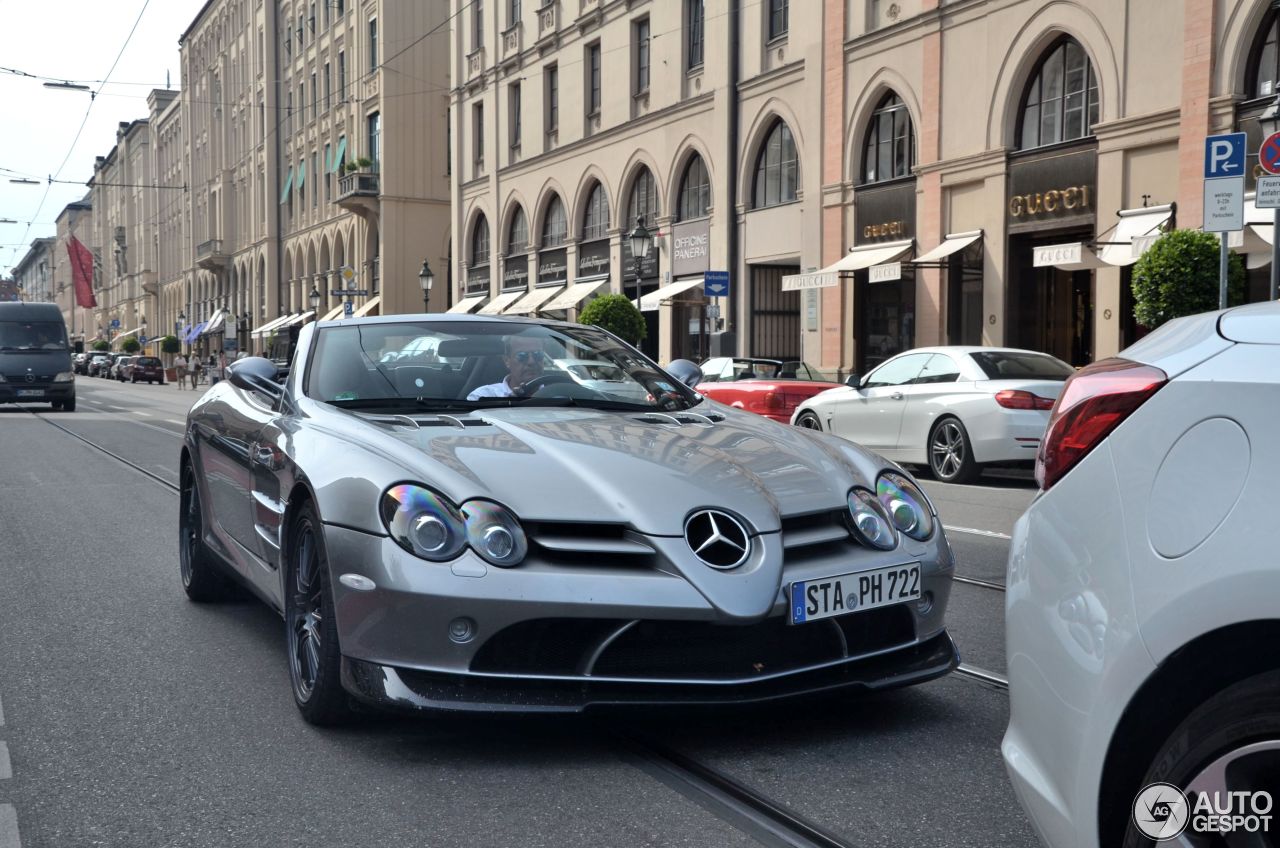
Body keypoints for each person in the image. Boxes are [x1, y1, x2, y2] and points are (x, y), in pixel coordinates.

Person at [466, 335, 547, 400]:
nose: (531, 362)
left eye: (538, 354)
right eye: (522, 355)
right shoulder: (484, 396)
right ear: (507, 361)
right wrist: (507, 405)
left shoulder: (557, 392)